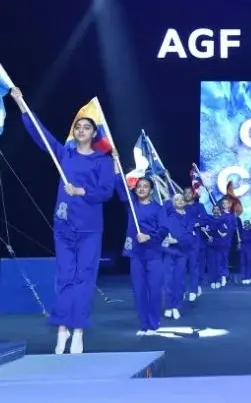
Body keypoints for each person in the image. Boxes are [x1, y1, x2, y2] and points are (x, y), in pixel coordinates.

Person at [11, 88, 117, 354]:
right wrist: (21, 104)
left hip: (90, 229)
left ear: (94, 134)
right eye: (78, 126)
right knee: (65, 278)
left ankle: (78, 330)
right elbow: (41, 135)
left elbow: (106, 192)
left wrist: (81, 191)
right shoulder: (65, 154)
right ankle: (62, 330)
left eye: (86, 127)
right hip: (64, 227)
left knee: (84, 278)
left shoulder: (103, 162)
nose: (81, 130)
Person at [117, 177, 165, 336]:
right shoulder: (131, 204)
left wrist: (149, 237)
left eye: (145, 186)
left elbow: (164, 229)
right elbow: (121, 188)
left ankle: (154, 323)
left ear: (151, 190)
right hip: (136, 254)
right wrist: (117, 171)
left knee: (154, 289)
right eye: (139, 186)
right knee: (139, 290)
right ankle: (144, 325)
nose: (141, 189)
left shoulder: (158, 209)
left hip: (153, 253)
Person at [162, 192, 196, 320]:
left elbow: (189, 236)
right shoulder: (168, 216)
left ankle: (176, 306)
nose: (180, 201)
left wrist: (176, 241)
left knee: (179, 280)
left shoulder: (189, 218)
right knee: (168, 281)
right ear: (173, 203)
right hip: (169, 253)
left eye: (181, 199)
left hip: (182, 252)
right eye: (176, 199)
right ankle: (169, 306)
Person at [239, 220, 251, 285]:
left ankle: (249, 277)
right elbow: (239, 240)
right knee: (243, 263)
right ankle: (243, 277)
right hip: (243, 249)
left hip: (249, 249)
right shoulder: (241, 232)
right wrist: (240, 242)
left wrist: (250, 245)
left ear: (249, 225)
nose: (246, 225)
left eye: (247, 223)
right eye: (245, 223)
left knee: (248, 263)